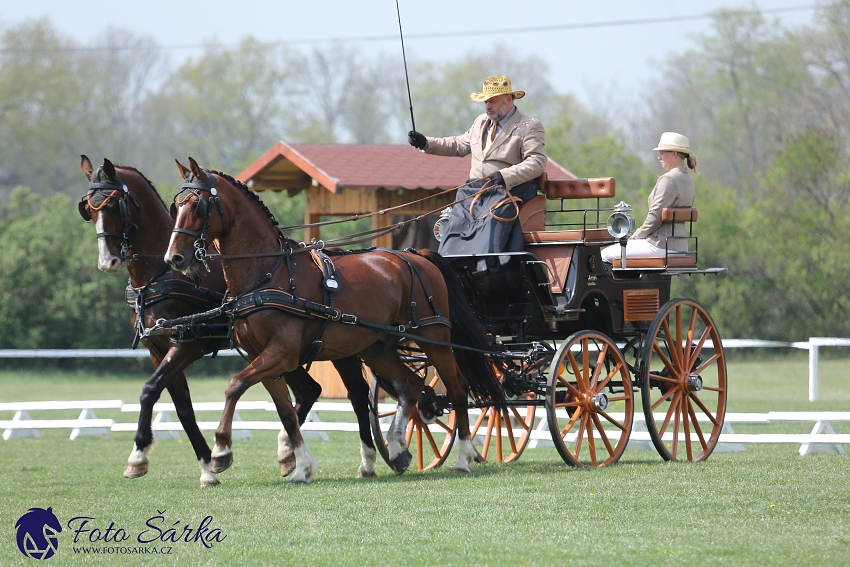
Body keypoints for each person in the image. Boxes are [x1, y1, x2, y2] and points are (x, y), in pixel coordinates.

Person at [408, 75, 547, 254]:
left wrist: (505, 176)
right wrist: (426, 143)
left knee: (490, 221)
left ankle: (488, 266)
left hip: (508, 191)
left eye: (492, 101)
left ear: (509, 99)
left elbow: (537, 162)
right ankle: (450, 263)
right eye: (485, 101)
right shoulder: (480, 122)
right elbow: (459, 145)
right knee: (455, 223)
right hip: (474, 191)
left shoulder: (529, 126)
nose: (487, 106)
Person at [601, 132, 697, 263]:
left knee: (604, 255)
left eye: (662, 153)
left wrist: (634, 237)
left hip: (661, 244)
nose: (659, 157)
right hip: (680, 246)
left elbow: (655, 217)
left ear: (674, 154)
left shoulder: (668, 179)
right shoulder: (687, 179)